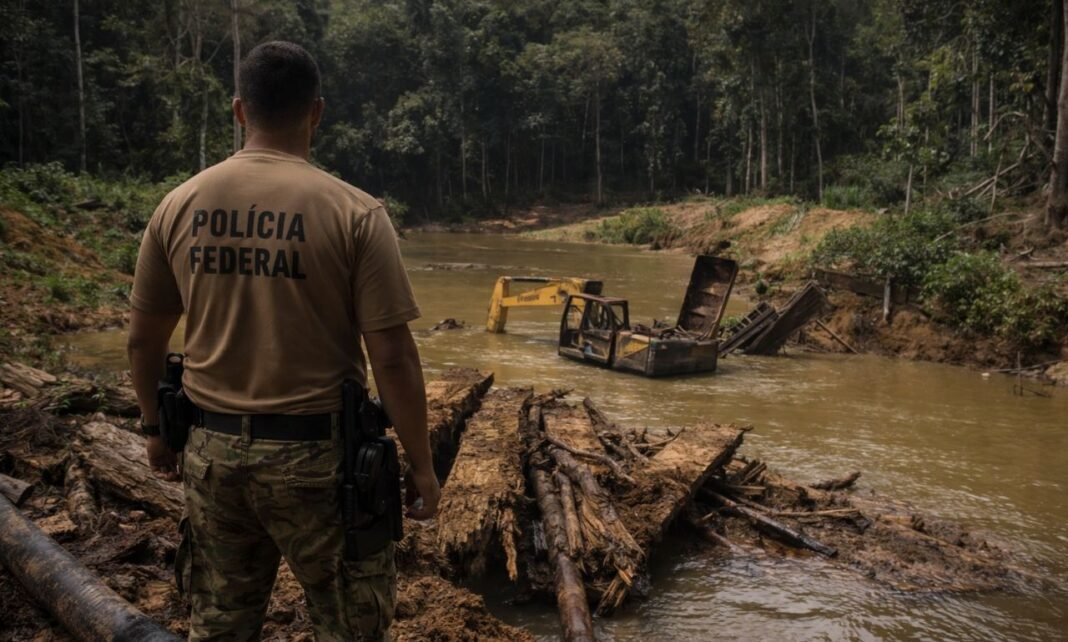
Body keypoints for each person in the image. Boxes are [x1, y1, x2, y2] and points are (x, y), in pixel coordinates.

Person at [126, 40, 440, 641]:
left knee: (220, 623)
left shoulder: (178, 205)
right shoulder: (355, 213)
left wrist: (153, 429)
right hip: (319, 462)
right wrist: (421, 466)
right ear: (316, 112)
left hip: (211, 451)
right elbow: (393, 357)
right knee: (349, 625)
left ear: (240, 110)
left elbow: (144, 338)